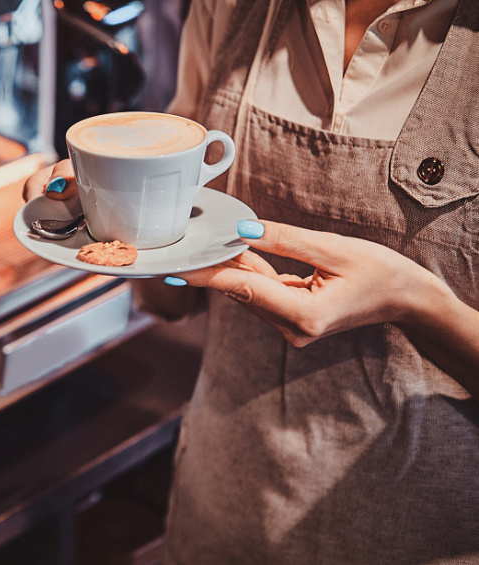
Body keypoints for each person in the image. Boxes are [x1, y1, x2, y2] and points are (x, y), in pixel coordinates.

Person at [24, 0, 479, 562]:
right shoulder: (230, 8)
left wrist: (414, 301)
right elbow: (169, 298)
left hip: (423, 533)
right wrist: (114, 214)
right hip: (221, 513)